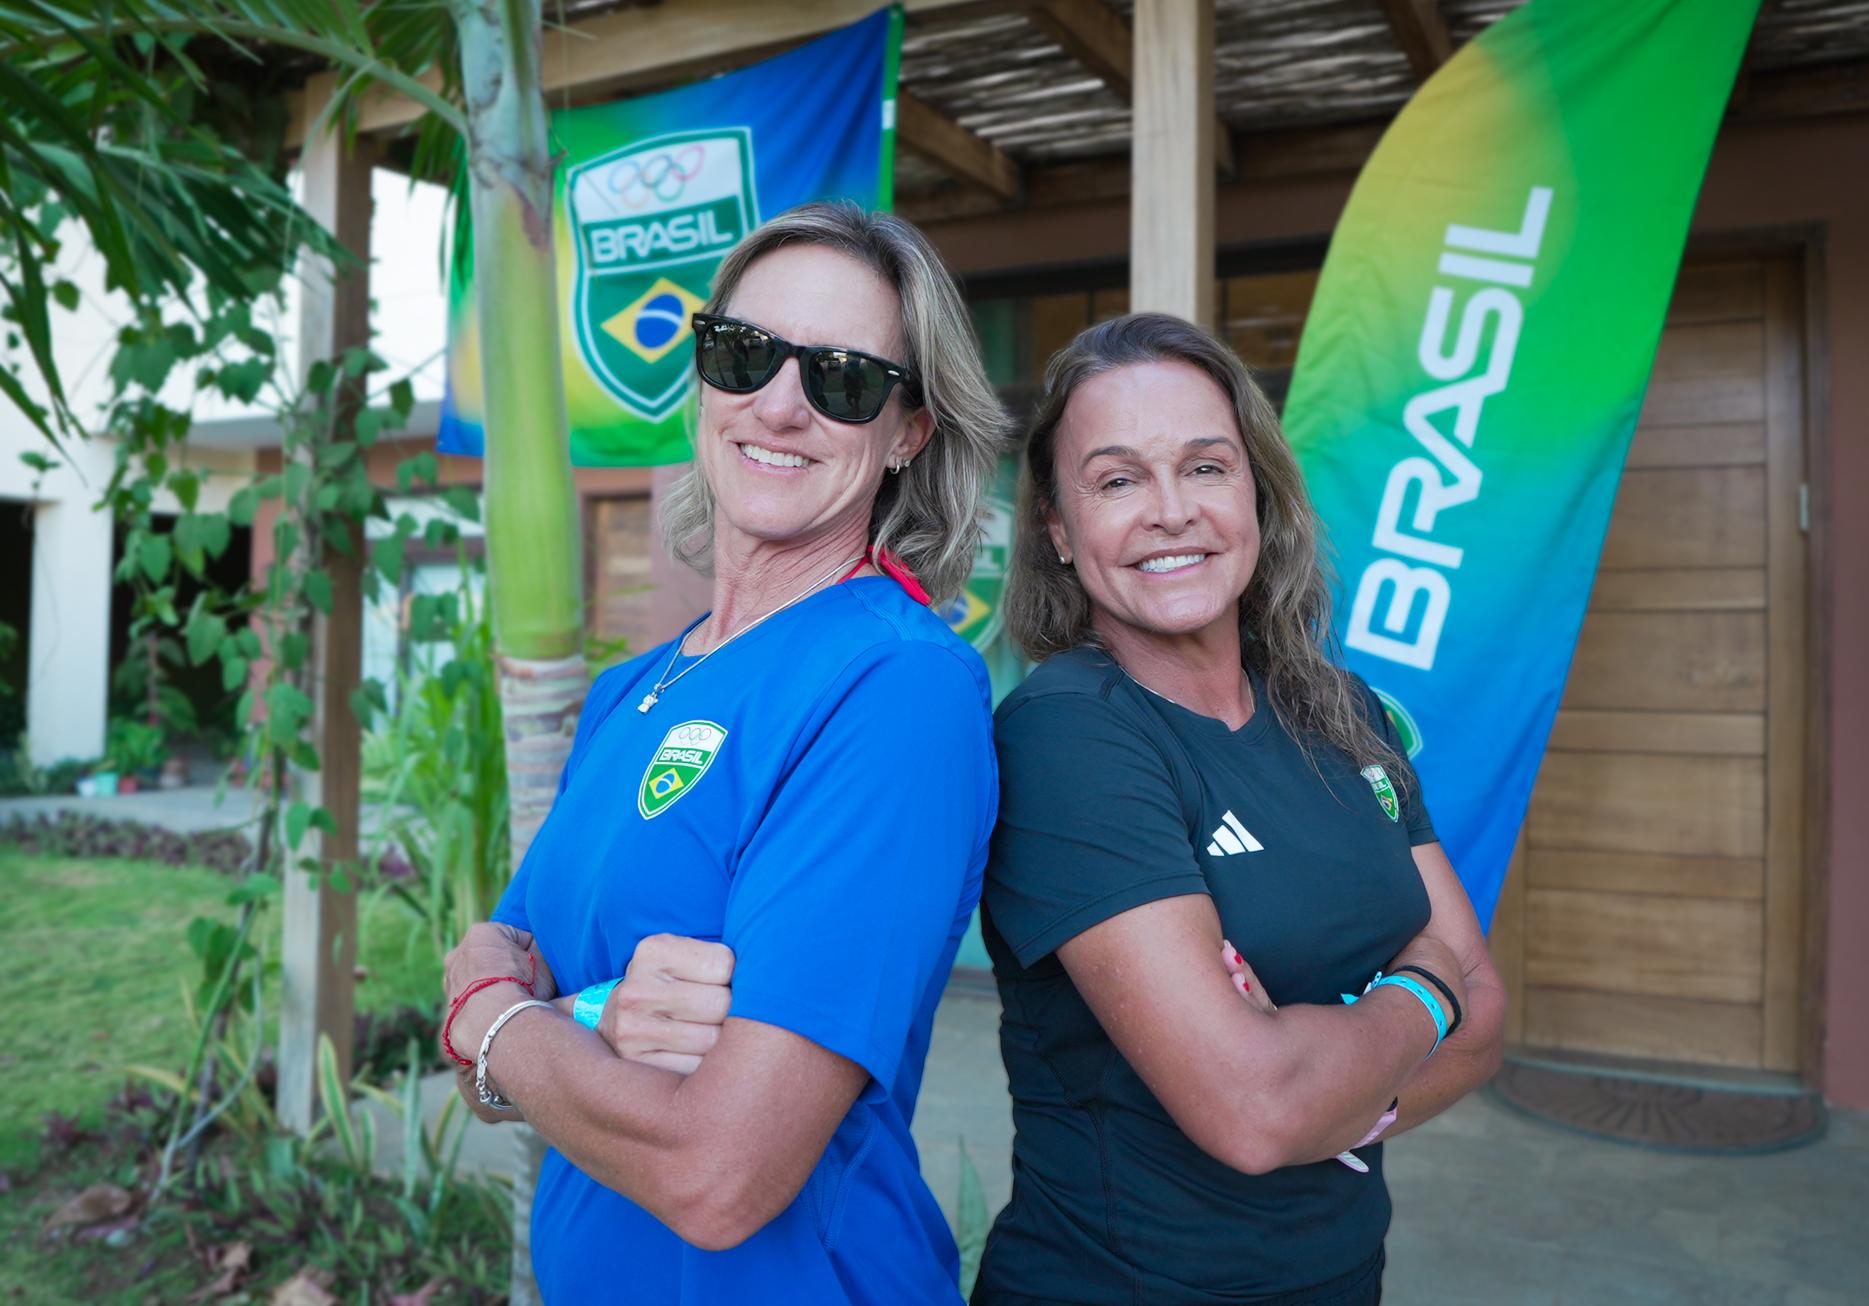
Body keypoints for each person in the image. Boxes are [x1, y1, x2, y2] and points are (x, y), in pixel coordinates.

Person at [438, 201, 1006, 1305]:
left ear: (907, 431)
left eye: (842, 379)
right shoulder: (629, 692)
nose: (779, 405)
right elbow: (489, 1076)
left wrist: (506, 1020)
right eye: (744, 355)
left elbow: (720, 1170)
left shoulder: (897, 686)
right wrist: (562, 1024)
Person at [969, 312, 1507, 1305]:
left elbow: (1487, 1011)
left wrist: (1330, 1089)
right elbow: (1257, 1108)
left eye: (1206, 466)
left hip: (1342, 1276)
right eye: (1119, 479)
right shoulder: (1066, 737)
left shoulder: (1345, 712)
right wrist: (1419, 990)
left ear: (1257, 489)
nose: (1171, 510)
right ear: (1058, 524)